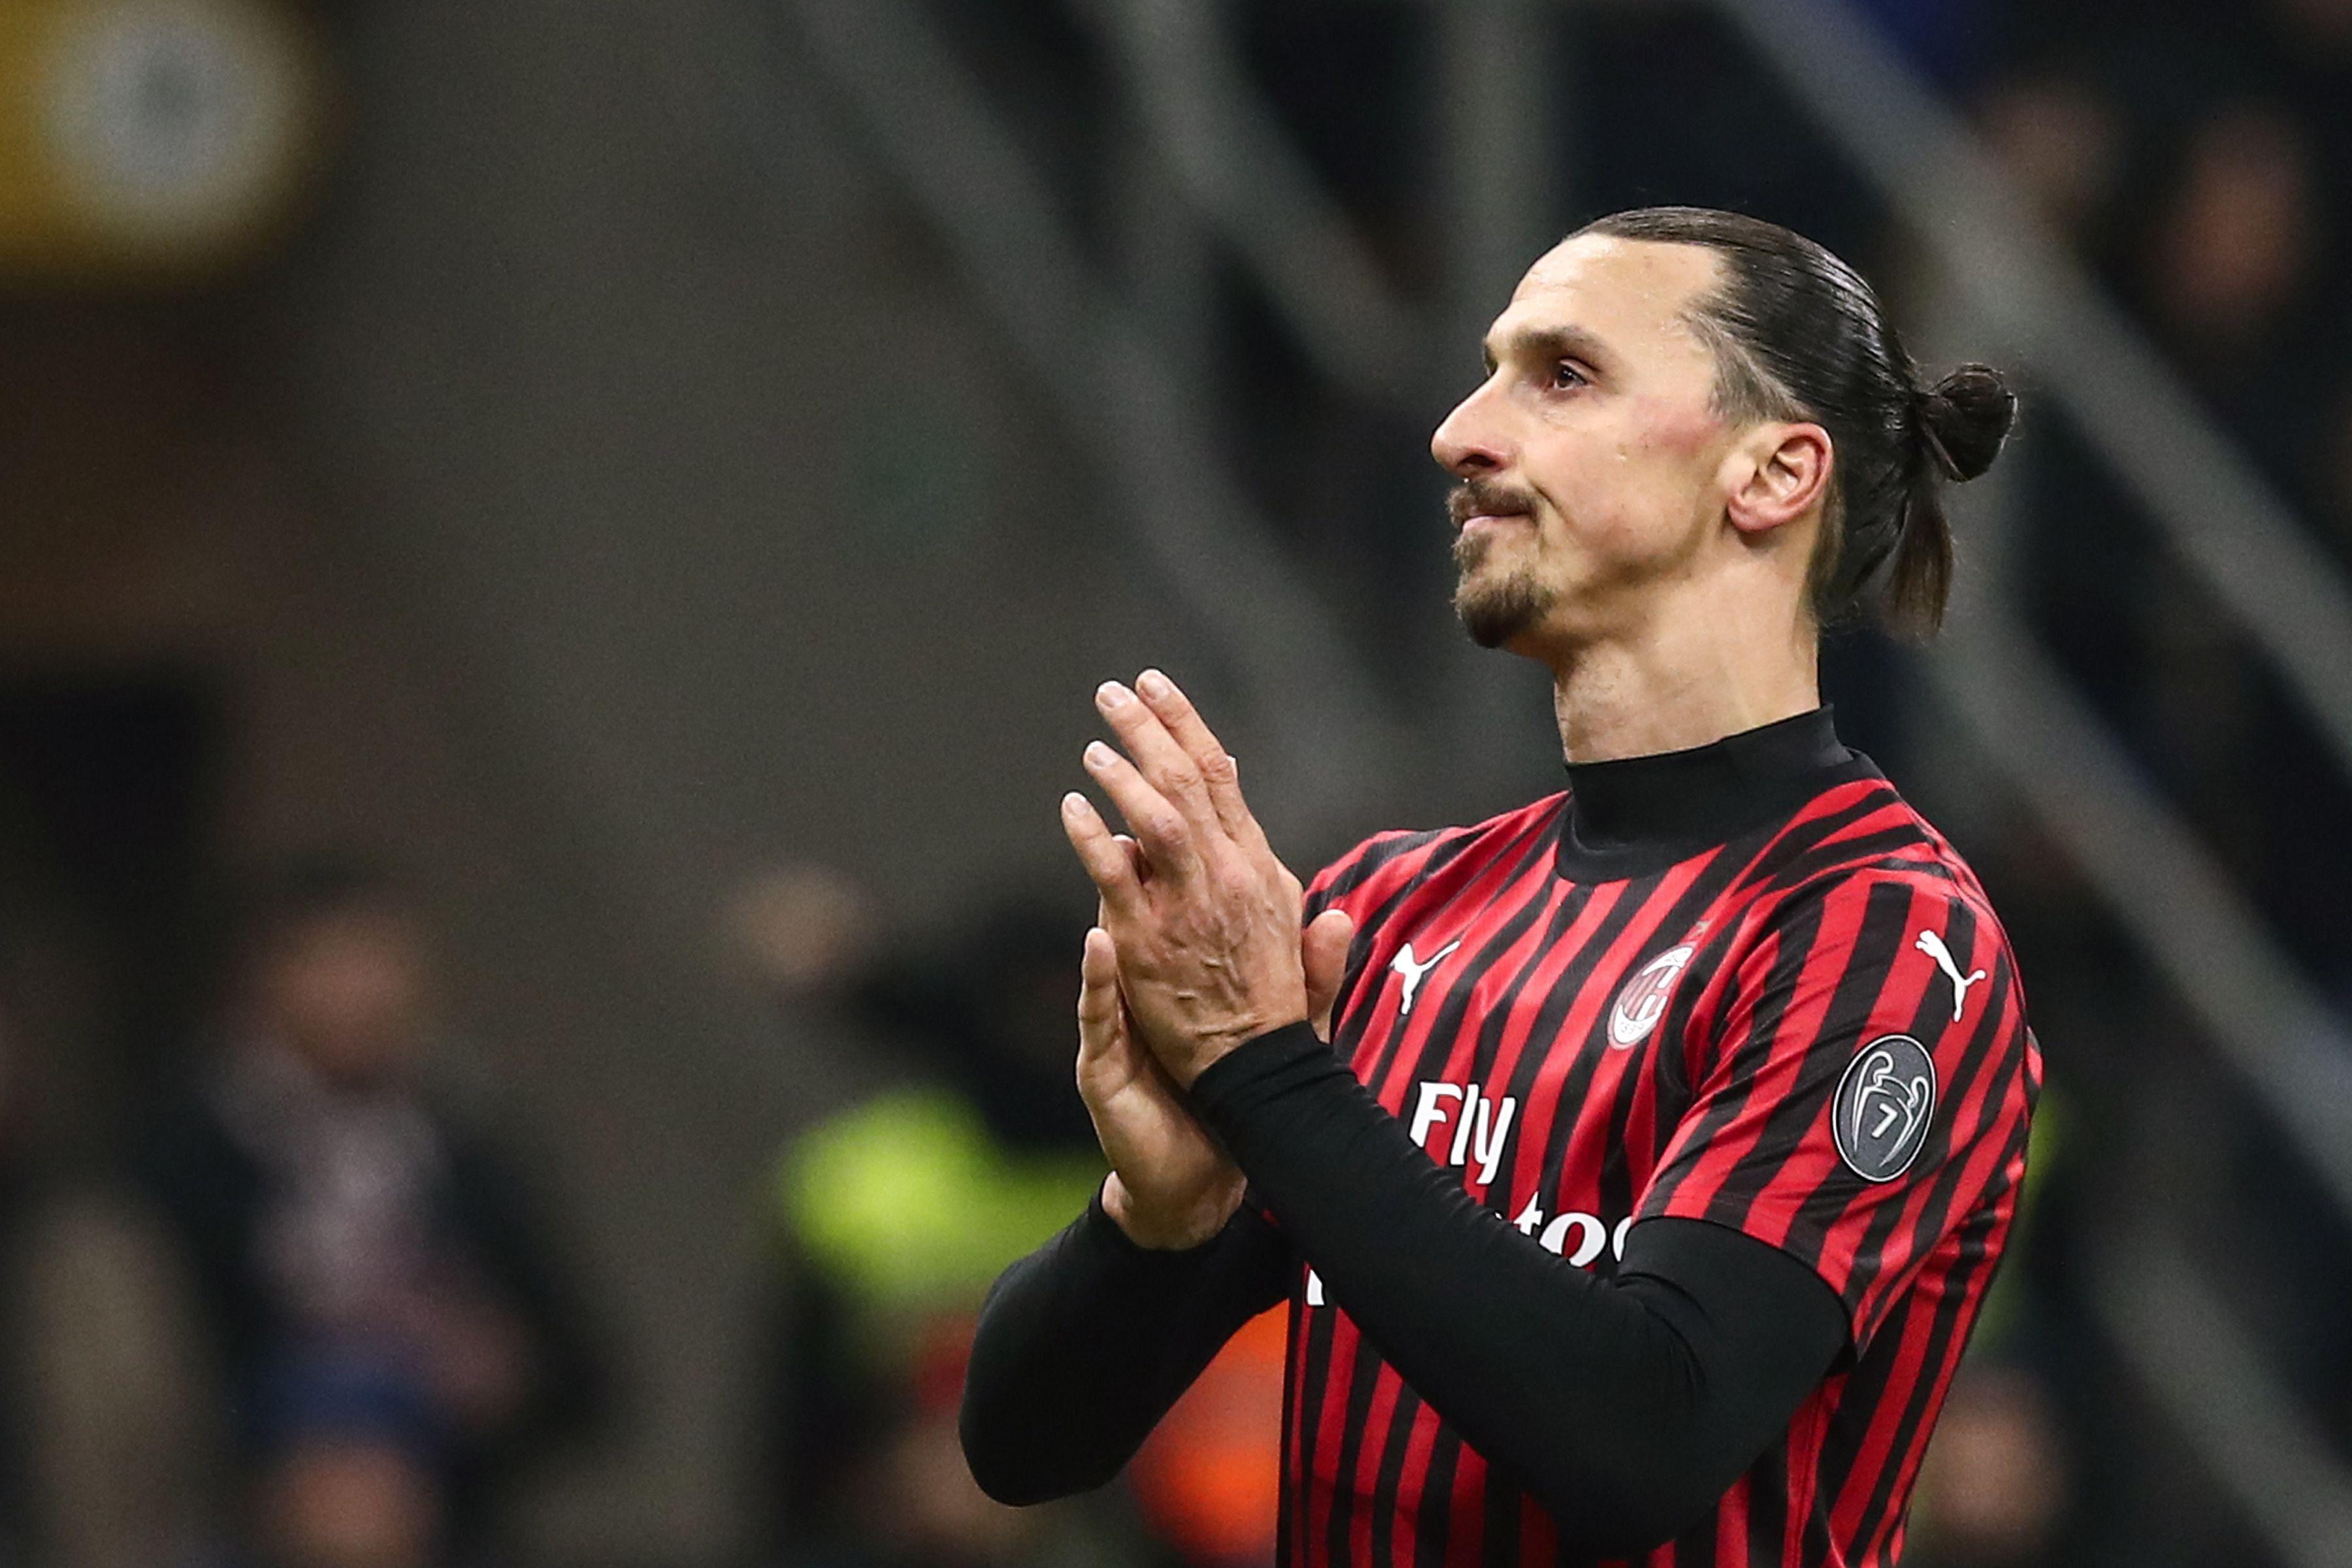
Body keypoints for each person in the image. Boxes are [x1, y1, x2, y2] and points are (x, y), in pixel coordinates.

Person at [960, 208, 2041, 1566]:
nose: (1461, 431)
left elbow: (1647, 1436)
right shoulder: (1399, 909)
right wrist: (1159, 1227)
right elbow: (1023, 1447)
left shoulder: (1876, 931)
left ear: (1772, 472)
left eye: (1564, 375)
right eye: (1489, 370)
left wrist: (1267, 1073)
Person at [136, 860, 605, 1568]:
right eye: (326, 963)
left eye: (376, 963)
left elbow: (589, 1376)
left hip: (448, 1521)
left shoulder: (469, 1152)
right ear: (262, 977)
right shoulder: (182, 1154)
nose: (355, 994)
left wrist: (508, 1375)